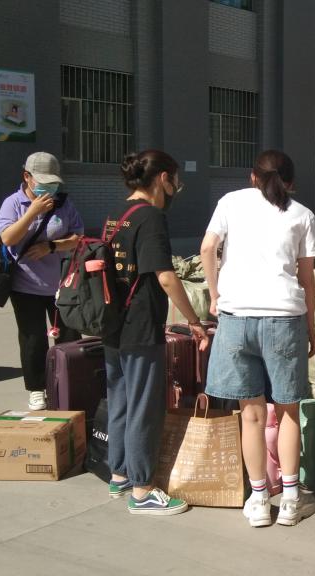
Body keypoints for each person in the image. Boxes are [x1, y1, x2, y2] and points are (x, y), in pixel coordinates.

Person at [200, 150, 315, 527]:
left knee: (250, 414)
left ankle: (257, 500)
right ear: (291, 181)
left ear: (253, 176)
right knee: (288, 412)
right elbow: (307, 279)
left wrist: (215, 295)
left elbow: (207, 248)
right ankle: (290, 499)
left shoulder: (230, 202)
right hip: (284, 318)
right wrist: (310, 327)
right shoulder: (302, 215)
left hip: (236, 318)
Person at [104, 150, 210, 515]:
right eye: (175, 180)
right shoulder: (151, 217)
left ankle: (119, 474)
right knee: (144, 406)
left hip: (112, 323)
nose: (177, 188)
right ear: (163, 178)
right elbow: (165, 276)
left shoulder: (116, 213)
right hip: (140, 324)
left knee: (120, 400)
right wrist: (194, 321)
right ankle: (143, 490)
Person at [0, 152, 85, 410]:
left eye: (54, 182)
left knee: (69, 336)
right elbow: (7, 238)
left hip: (62, 284)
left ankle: (72, 383)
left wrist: (52, 246)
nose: (50, 188)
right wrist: (32, 212)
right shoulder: (13, 203)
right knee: (33, 340)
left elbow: (78, 238)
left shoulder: (63, 204)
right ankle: (36, 388)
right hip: (26, 285)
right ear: (27, 177)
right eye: (44, 182)